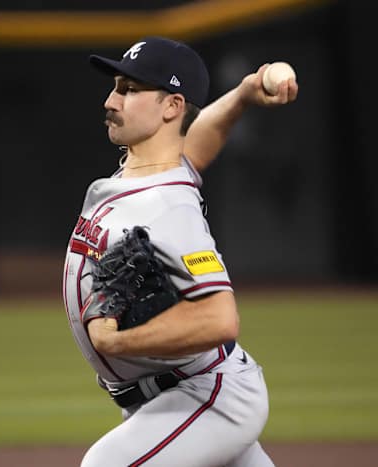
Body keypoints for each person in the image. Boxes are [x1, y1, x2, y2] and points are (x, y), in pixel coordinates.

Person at [62, 36, 297, 467]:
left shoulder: (169, 207)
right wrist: (244, 94)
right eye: (116, 86)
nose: (111, 100)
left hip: (206, 398)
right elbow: (195, 143)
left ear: (171, 107)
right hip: (174, 398)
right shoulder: (156, 172)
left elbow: (220, 318)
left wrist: (116, 341)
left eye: (129, 90)